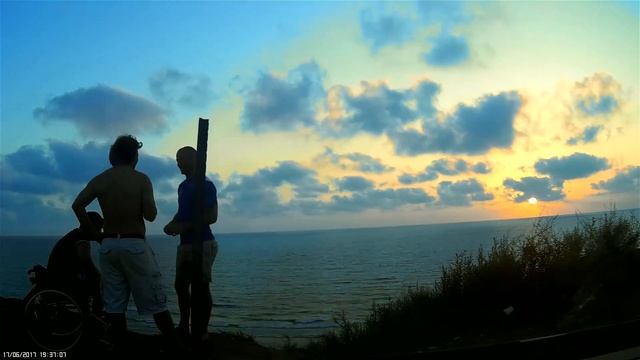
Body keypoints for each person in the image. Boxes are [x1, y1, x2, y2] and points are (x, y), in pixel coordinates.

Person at [72, 135, 182, 351]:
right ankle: (176, 346)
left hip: (109, 245)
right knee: (155, 298)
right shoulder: (141, 179)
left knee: (114, 304)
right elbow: (150, 215)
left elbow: (77, 205)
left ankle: (119, 346)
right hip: (134, 244)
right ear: (134, 156)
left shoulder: (100, 179)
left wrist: (95, 234)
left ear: (113, 155)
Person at [164, 146, 218, 348]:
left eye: (181, 159)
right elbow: (182, 213)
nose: (177, 163)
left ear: (193, 159)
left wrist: (182, 226)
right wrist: (172, 224)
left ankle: (202, 330)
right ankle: (184, 325)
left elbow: (211, 216)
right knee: (180, 285)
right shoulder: (182, 186)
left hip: (203, 242)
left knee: (202, 287)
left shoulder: (206, 185)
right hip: (185, 244)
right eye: (177, 159)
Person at [47, 211, 104, 314]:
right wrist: (99, 275)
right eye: (99, 228)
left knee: (90, 279)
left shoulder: (74, 235)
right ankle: (94, 316)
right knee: (97, 283)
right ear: (91, 227)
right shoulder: (82, 241)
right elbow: (86, 262)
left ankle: (89, 314)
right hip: (63, 281)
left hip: (57, 277)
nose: (99, 231)